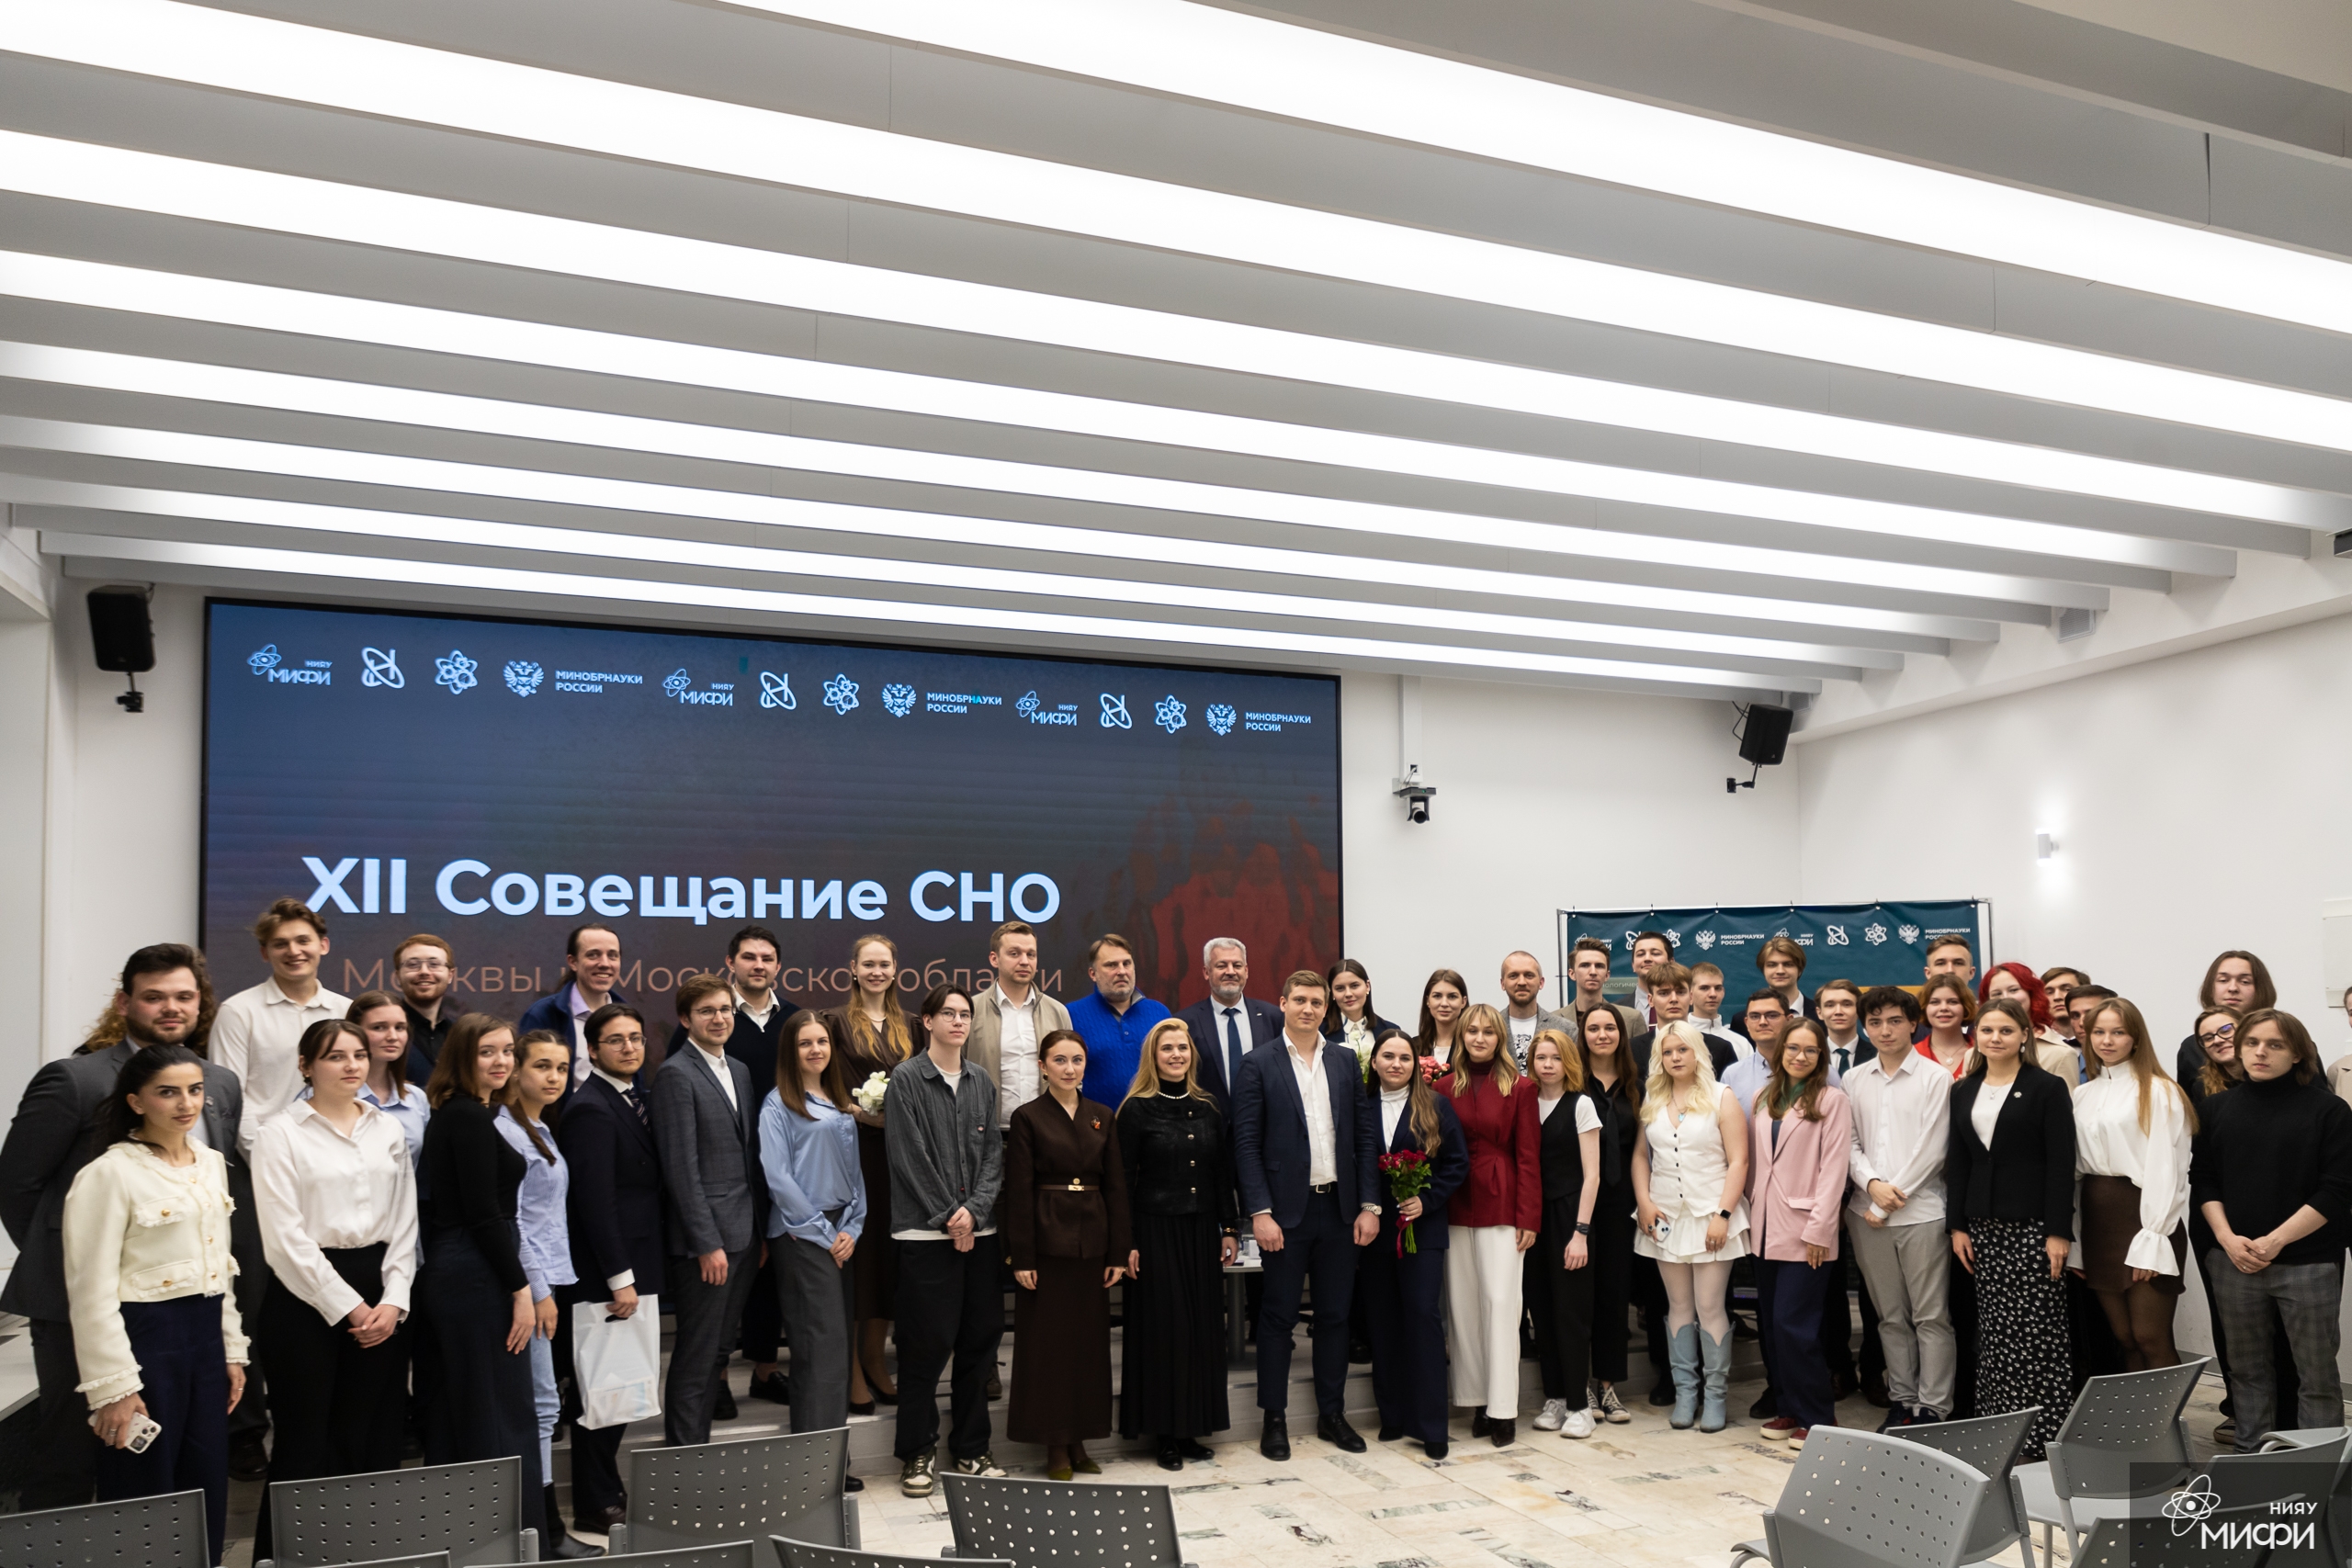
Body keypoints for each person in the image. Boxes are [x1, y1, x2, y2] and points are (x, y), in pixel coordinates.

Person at [0, 945, 245, 1512]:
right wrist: (76, 1262)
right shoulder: (75, 1078)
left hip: (189, 1314)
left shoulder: (220, 1082)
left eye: (184, 996)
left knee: (182, 1464)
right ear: (124, 1002)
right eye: (154, 996)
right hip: (77, 1304)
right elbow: (18, 1185)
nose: (171, 1007)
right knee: (72, 1456)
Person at [62, 1043, 249, 1566]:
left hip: (204, 1339)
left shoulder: (210, 1162)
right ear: (136, 1101)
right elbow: (90, 1291)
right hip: (146, 1341)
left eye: (194, 1090)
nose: (186, 1103)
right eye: (168, 1092)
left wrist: (232, 1350)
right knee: (143, 1484)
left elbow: (221, 1266)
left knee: (205, 1478)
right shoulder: (108, 1173)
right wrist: (114, 1388)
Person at [251, 1019, 417, 1560]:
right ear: (305, 1066)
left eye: (359, 1055)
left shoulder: (386, 1127)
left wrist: (394, 1299)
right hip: (304, 1297)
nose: (352, 1065)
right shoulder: (279, 1133)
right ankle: (286, 1557)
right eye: (335, 1056)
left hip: (382, 1289)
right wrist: (349, 1307)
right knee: (305, 1441)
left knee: (372, 1435)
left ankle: (366, 1553)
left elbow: (405, 1220)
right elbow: (283, 1239)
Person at [1232, 970, 1381, 1461]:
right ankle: (1273, 1418)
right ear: (1283, 1003)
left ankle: (1331, 1414)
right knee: (1277, 1317)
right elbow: (1246, 1144)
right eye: (1300, 1000)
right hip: (1283, 1214)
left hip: (1339, 1209)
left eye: (1317, 1002)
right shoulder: (1257, 1063)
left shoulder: (1343, 1060)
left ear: (1326, 1008)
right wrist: (1259, 1211)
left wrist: (1369, 1205)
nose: (1309, 1009)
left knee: (1335, 1316)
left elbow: (1363, 1137)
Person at [2194, 1009, 2352, 1452]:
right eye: (2252, 1043)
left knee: (2316, 1375)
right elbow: (2203, 1180)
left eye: (2275, 1044)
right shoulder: (2216, 1108)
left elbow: (2337, 1190)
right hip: (2234, 1261)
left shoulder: (2329, 1111)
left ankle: (2319, 1465)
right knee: (2246, 1371)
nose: (2260, 1052)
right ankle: (2252, 1458)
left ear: (2297, 1053)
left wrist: (2275, 1240)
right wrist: (2226, 1239)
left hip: (2308, 1264)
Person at [665, 926, 804, 1408]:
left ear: (778, 966)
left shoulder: (793, 1019)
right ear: (731, 963)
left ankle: (765, 1370)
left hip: (775, 1170)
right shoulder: (708, 1024)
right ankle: (717, 1379)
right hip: (721, 1179)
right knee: (721, 1296)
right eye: (749, 957)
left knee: (768, 1277)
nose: (758, 965)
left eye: (767, 958)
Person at [887, 986, 1008, 1495]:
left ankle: (972, 1448)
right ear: (928, 1021)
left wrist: (973, 1214)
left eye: (964, 1014)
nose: (958, 1022)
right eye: (948, 1014)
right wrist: (950, 1219)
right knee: (925, 1347)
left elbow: (993, 1157)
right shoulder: (906, 1078)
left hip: (981, 1234)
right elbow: (909, 1157)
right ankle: (917, 1453)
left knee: (979, 1345)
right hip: (925, 1233)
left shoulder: (981, 1081)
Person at [555, 1001, 669, 1536]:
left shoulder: (631, 1097)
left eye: (636, 1038)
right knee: (601, 1391)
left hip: (638, 1260)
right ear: (593, 1050)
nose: (629, 1047)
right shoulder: (590, 1109)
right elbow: (594, 1203)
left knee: (620, 1388)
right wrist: (620, 1279)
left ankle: (607, 1491)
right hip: (608, 1273)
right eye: (616, 1040)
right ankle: (595, 1502)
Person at [414, 1015, 539, 1497]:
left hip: (470, 1267)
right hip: (476, 1271)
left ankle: (472, 1530)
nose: (501, 1061)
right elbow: (484, 1216)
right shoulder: (465, 1115)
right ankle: (509, 1532)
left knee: (469, 1414)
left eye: (507, 1051)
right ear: (462, 1056)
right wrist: (521, 1290)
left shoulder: (471, 1112)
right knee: (498, 1414)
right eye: (487, 1051)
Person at [1944, 997, 2074, 1461]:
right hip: (1983, 1227)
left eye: (2005, 1030)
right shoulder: (1963, 1090)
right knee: (1996, 1332)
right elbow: (1959, 1161)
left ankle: (2043, 1436)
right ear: (1975, 1036)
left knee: (2037, 1332)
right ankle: (2001, 1430)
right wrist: (1957, 1226)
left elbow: (2061, 1163)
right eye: (1987, 1030)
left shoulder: (2047, 1087)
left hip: (2034, 1226)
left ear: (2024, 1036)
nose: (1995, 1038)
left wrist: (2058, 1231)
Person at [1005, 1031, 1132, 1479]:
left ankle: (1080, 1438)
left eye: (1077, 1060)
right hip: (1046, 1243)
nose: (1069, 1068)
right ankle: (1054, 1444)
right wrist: (1022, 1257)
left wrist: (1118, 1251)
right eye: (1059, 1060)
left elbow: (1116, 1187)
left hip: (1093, 1243)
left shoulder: (1102, 1115)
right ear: (1042, 1066)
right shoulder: (1028, 1117)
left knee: (1087, 1347)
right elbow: (1017, 1192)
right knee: (1049, 1349)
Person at [1116, 1019, 1238, 1469]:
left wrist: (1230, 1228)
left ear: (1192, 1054)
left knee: (1201, 1329)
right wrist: (1127, 1241)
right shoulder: (1135, 1110)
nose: (1176, 1055)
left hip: (1201, 1231)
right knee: (1164, 1332)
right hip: (1154, 1233)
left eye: (1182, 1048)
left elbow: (1221, 1173)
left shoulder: (1208, 1107)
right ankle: (1164, 1435)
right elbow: (1123, 1181)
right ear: (1153, 1056)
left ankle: (1191, 1429)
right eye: (1167, 1048)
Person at [494, 1032, 594, 1560]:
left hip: (549, 1279)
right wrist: (537, 1292)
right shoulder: (507, 1132)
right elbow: (512, 1223)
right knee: (541, 1404)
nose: (554, 1076)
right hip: (529, 1286)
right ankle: (544, 1529)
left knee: (544, 1402)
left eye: (560, 1067)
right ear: (516, 1070)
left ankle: (544, 1525)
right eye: (541, 1066)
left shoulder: (539, 1127)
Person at [653, 974, 763, 1447]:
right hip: (708, 1244)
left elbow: (747, 1156)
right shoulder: (675, 1074)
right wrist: (706, 1243)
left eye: (725, 1009)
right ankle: (683, 1459)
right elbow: (681, 1170)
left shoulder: (738, 1069)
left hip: (745, 1234)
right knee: (697, 1354)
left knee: (719, 1351)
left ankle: (699, 1452)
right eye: (706, 1011)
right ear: (685, 1019)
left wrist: (758, 1232)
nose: (719, 1018)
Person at [1844, 987, 1953, 1429]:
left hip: (1921, 1213)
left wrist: (1887, 1201)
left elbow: (1934, 1149)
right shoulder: (1854, 1079)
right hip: (1865, 1214)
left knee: (1931, 1316)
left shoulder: (1935, 1078)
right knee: (1890, 1317)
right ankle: (1903, 1400)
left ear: (1913, 1024)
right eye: (1875, 1022)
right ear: (1865, 1028)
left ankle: (1933, 1407)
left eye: (1894, 1021)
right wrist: (1871, 1185)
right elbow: (1849, 1144)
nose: (1885, 1030)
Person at [1633, 1021, 1749, 1433]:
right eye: (1667, 1052)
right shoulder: (1652, 1097)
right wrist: (1645, 1202)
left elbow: (1739, 1160)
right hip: (1665, 1217)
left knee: (1710, 1306)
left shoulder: (1721, 1096)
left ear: (1697, 1052)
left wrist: (1723, 1214)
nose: (1675, 1057)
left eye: (1682, 1049)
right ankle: (1686, 1394)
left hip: (1711, 1216)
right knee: (1677, 1307)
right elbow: (1641, 1156)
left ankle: (1715, 1397)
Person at [1355, 1032, 1465, 1459]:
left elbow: (1457, 1162)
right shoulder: (1360, 1106)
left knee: (1422, 1317)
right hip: (1374, 1231)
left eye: (1404, 1057)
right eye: (1388, 1056)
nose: (1396, 1064)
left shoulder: (1435, 1106)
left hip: (1424, 1229)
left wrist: (1427, 1199)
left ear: (1415, 1065)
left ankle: (1432, 1425)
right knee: (1382, 1322)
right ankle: (1393, 1416)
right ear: (1374, 1063)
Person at [759, 1010, 865, 1446]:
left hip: (841, 1232)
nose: (816, 1049)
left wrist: (853, 1227)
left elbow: (854, 1174)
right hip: (802, 1234)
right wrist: (824, 1233)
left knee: (835, 1348)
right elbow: (778, 1178)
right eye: (805, 1043)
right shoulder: (777, 1104)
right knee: (820, 1348)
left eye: (822, 1041)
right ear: (791, 1050)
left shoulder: (838, 1100)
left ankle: (829, 1459)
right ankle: (816, 1462)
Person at [1435, 1004, 1539, 1448]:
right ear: (1461, 1036)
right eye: (1472, 1031)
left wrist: (1528, 1217)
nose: (1479, 1038)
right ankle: (1476, 1401)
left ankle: (1503, 1410)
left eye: (1488, 1032)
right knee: (1463, 1307)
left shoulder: (1521, 1087)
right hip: (1455, 1202)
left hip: (1503, 1202)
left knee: (1501, 1304)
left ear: (1500, 1038)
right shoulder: (1442, 1087)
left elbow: (1529, 1157)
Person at [2069, 997, 2191, 1373]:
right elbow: (2076, 1174)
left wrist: (2153, 1236)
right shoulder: (2082, 1094)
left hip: (2143, 1219)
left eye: (2118, 1032)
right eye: (2099, 1032)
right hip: (2098, 1222)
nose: (2107, 1041)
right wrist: (2076, 1241)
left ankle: (2168, 1414)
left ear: (2135, 1038)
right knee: (2123, 1338)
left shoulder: (2158, 1090)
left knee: (2150, 1337)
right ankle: (2140, 1413)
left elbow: (2167, 1168)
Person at [1746, 1019, 1851, 1446]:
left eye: (1810, 1050)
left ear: (1821, 1055)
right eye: (1793, 1048)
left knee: (1796, 1325)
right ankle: (1788, 1408)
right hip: (1764, 1224)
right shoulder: (1763, 1096)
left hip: (1807, 1230)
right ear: (1781, 1051)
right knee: (1772, 1325)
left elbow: (1834, 1169)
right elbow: (1758, 1163)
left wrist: (1820, 1230)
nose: (1800, 1056)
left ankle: (1817, 1416)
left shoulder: (1832, 1100)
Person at [830, 932, 911, 1410]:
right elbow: (826, 1085)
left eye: (884, 964)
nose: (877, 972)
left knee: (887, 1256)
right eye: (869, 964)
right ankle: (852, 1369)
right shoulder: (835, 1022)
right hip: (854, 1150)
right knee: (860, 1257)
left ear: (895, 970)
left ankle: (876, 1359)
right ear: (854, 970)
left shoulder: (913, 1025)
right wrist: (859, 1112)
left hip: (898, 1156)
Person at [212, 897, 349, 1154]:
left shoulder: (346, 1011)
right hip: (263, 1155)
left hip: (336, 1155)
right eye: (280, 944)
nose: (293, 951)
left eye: (303, 940)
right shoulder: (238, 1012)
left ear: (323, 945)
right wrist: (265, 1157)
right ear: (265, 953)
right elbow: (230, 1096)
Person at [1524, 1030, 1604, 1439]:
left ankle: (1579, 1406)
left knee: (1570, 1314)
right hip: (1533, 1219)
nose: (1548, 1065)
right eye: (1541, 1057)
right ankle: (1555, 1398)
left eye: (1556, 1057)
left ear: (1568, 1061)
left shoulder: (1581, 1104)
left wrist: (1580, 1233)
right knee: (1542, 1312)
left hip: (1570, 1218)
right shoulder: (1524, 1101)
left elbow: (1593, 1175)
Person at [1577, 1002, 1642, 1424]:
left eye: (1610, 1028)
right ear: (1582, 1036)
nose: (1602, 1035)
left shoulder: (1637, 1087)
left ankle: (1608, 1385)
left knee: (1614, 1295)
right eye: (1594, 1028)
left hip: (1621, 1204)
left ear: (1621, 1034)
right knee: (1579, 1294)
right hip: (1579, 1202)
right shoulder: (1571, 1083)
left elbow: (1641, 1149)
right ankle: (1580, 1381)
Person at [970, 919, 1075, 1132]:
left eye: (1031, 954)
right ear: (994, 959)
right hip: (986, 1134)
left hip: (1045, 1133)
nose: (1025, 961)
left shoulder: (1058, 1012)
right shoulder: (970, 1011)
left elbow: (1072, 1073)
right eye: (1014, 953)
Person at [514, 925, 628, 1092]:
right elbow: (526, 1084)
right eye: (593, 955)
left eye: (612, 955)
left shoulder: (628, 1017)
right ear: (573, 962)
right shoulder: (543, 1015)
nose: (605, 964)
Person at [1068, 933, 1173, 1111]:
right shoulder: (1071, 1015)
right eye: (1111, 965)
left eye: (1127, 963)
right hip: (1095, 1123)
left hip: (1155, 1121)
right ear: (1093, 974)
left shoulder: (1159, 1013)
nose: (1122, 971)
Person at [1175, 938, 1283, 1112]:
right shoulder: (1186, 1022)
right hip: (1208, 1121)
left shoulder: (1273, 1017)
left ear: (1246, 971)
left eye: (1237, 965)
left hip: (1261, 1123)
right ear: (1206, 972)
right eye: (1221, 965)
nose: (1230, 972)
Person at [348, 991, 431, 1165]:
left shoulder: (416, 1099)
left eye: (400, 1028)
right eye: (379, 1027)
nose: (392, 1036)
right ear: (354, 1032)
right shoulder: (324, 1096)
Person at [2176, 952, 2277, 1089]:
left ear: (2261, 989)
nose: (2233, 988)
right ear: (2211, 988)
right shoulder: (2192, 1048)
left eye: (2244, 982)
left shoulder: (2286, 1040)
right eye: (2223, 980)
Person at [392, 934, 475, 1081]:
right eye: (413, 965)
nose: (424, 972)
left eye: (434, 964)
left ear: (450, 975)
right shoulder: (382, 1033)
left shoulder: (461, 1035)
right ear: (398, 976)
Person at [1981, 964, 2080, 1082]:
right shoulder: (1975, 1053)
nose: (2006, 998)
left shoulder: (2060, 1054)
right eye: (1997, 994)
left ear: (2031, 993)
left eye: (2014, 990)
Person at [1646, 964, 1736, 1077]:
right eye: (1664, 993)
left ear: (1691, 997)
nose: (1674, 999)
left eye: (1680, 992)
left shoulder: (1721, 1048)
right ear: (1650, 1000)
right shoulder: (1633, 1049)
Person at [1499, 951, 1575, 1069]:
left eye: (1529, 975)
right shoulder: (1491, 1028)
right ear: (1503, 983)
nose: (1522, 982)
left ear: (1541, 982)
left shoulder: (1566, 1030)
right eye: (1513, 976)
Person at [1322, 959, 1405, 1057]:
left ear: (1367, 986)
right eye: (1340, 988)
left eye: (1354, 986)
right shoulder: (1320, 1032)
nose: (1348, 994)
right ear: (1332, 993)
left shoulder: (1390, 1030)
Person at [1739, 937, 1815, 1042]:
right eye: (1772, 965)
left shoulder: (1823, 1015)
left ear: (1800, 970)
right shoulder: (1740, 1020)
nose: (1780, 971)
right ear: (1763, 970)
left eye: (1788, 964)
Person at [1413, 968, 1470, 1071]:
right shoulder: (1414, 1046)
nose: (1444, 1003)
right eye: (1437, 996)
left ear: (1463, 1002)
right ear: (1428, 1001)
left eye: (1452, 997)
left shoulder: (1471, 1046)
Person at [1918, 976, 1975, 1077]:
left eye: (1953, 1002)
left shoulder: (1984, 1053)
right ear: (1924, 1008)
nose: (1944, 1008)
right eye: (1935, 1002)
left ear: (1965, 1007)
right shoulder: (1912, 1055)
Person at [1690, 964, 1739, 1055]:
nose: (1713, 994)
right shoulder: (1677, 1039)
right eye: (1704, 988)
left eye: (1718, 988)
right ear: (1690, 994)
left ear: (1723, 992)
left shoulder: (1740, 1043)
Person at [1629, 931, 1676, 1023]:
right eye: (1640, 954)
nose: (1647, 959)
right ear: (1633, 965)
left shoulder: (1692, 1008)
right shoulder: (1617, 1010)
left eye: (1655, 953)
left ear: (1671, 962)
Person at [2040, 968, 2088, 1040]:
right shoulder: (2032, 1042)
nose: (2057, 997)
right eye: (2049, 992)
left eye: (2067, 989)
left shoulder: (2102, 1040)